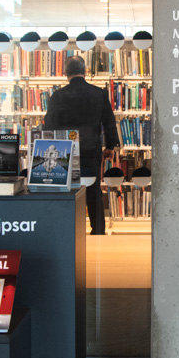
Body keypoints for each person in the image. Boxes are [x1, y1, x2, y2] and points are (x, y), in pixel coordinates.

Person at [43, 54, 119, 234]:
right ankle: (98, 231)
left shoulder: (57, 96)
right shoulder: (99, 94)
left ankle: (67, 232)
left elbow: (48, 126)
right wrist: (110, 146)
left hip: (65, 151)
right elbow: (109, 122)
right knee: (93, 191)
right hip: (91, 150)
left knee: (67, 190)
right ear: (85, 71)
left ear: (65, 73)